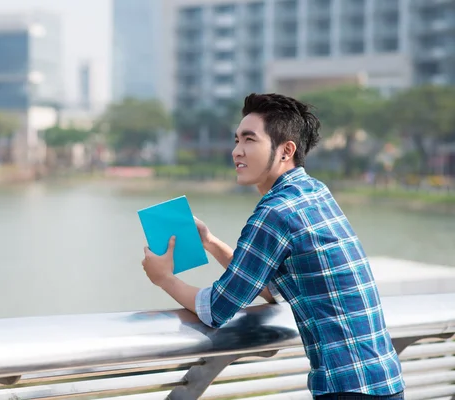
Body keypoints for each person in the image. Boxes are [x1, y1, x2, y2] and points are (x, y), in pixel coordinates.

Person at [141, 93, 405, 399]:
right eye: (236, 140)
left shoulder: (275, 212)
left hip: (348, 390)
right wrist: (211, 243)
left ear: (285, 150)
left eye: (250, 140)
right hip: (384, 381)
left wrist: (163, 278)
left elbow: (215, 309)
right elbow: (273, 289)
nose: (236, 151)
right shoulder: (314, 192)